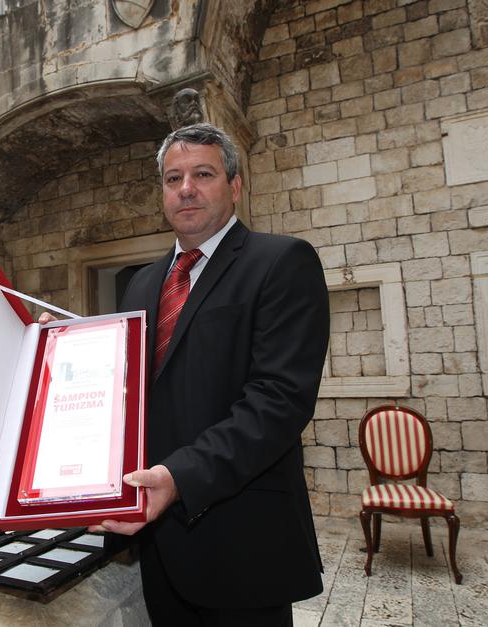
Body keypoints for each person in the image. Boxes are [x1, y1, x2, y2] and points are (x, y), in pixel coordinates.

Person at [98, 123, 329, 625]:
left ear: (235, 185)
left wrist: (179, 477)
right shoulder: (141, 284)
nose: (186, 188)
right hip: (158, 542)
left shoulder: (282, 262)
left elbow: (278, 402)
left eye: (202, 174)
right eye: (173, 178)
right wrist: (57, 356)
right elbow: (127, 391)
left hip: (242, 539)